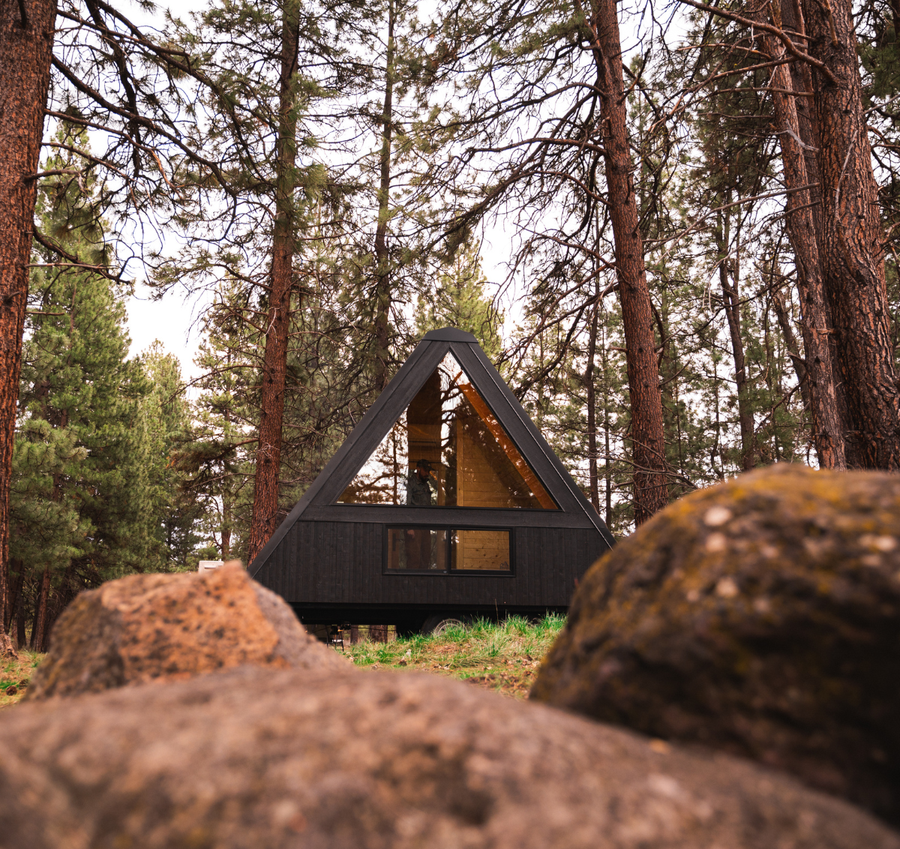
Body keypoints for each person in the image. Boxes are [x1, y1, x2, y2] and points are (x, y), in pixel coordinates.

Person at [405, 459, 436, 569]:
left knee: (425, 558)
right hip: (414, 526)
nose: (427, 473)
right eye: (425, 470)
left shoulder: (426, 485)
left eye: (428, 471)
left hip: (425, 526)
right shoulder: (410, 483)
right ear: (418, 469)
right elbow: (406, 505)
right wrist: (409, 527)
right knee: (414, 558)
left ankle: (423, 579)